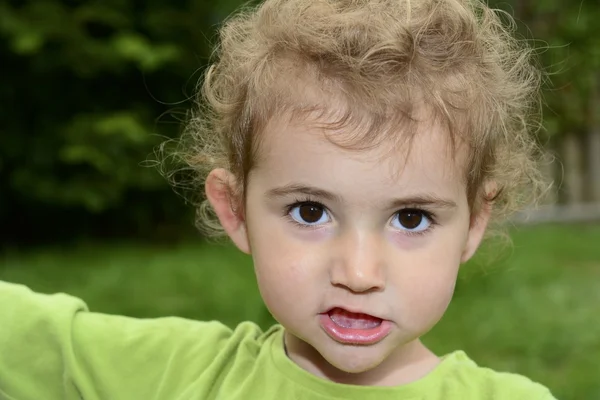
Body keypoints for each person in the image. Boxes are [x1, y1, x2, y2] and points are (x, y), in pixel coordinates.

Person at [0, 0, 556, 399]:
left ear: (475, 222)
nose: (359, 272)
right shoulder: (176, 376)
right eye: (310, 212)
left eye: (410, 218)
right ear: (235, 209)